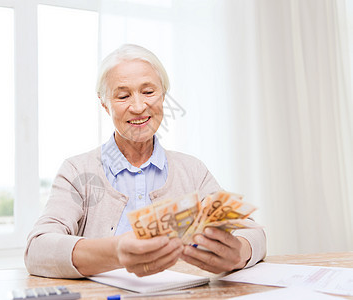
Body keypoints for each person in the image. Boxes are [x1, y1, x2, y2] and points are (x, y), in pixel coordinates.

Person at [24, 44, 266, 279]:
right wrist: (115, 252)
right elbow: (37, 249)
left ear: (163, 96)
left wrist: (239, 253)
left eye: (149, 92)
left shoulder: (192, 170)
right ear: (104, 104)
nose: (139, 107)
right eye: (123, 95)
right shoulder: (78, 171)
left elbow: (254, 234)